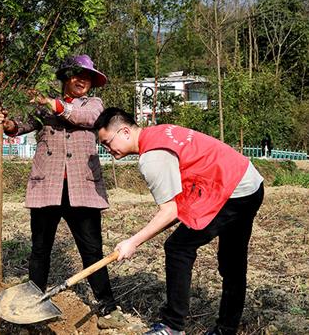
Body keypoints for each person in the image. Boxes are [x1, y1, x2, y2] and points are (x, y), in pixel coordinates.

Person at [94, 108, 265, 335]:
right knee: (232, 263)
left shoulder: (152, 157)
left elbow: (171, 211)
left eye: (107, 142)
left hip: (231, 190)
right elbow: (179, 206)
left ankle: (172, 326)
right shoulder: (159, 132)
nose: (107, 149)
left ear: (124, 132)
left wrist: (133, 241)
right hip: (249, 182)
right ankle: (226, 329)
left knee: (178, 248)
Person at [0, 54, 123, 329]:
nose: (82, 81)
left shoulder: (93, 105)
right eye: (76, 76)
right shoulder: (44, 108)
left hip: (82, 189)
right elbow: (20, 126)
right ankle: (32, 303)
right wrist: (5, 123)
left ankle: (107, 307)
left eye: (87, 77)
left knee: (92, 250)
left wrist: (51, 103)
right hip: (47, 186)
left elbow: (84, 118)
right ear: (65, 78)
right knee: (40, 249)